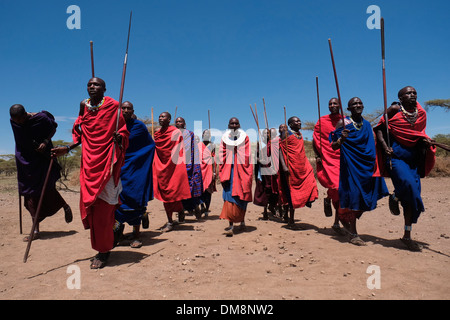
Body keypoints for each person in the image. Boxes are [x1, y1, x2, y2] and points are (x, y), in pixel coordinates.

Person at [52, 77, 129, 269]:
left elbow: (124, 132)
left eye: (96, 85)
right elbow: (80, 132)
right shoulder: (83, 106)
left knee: (103, 210)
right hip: (89, 164)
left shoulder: (113, 106)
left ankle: (103, 251)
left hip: (107, 163)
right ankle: (114, 227)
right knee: (93, 210)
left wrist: (119, 138)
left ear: (104, 88)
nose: (92, 87)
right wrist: (67, 148)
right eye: (89, 84)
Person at [374, 86, 436, 251]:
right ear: (400, 98)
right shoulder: (394, 109)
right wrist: (385, 146)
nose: (412, 95)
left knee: (412, 198)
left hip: (413, 158)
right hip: (396, 156)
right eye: (408, 93)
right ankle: (395, 195)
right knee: (408, 187)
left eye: (415, 92)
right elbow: (379, 128)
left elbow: (419, 133)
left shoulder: (421, 113)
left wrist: (425, 141)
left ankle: (407, 235)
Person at [330, 97, 388, 246]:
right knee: (355, 196)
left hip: (367, 166)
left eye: (359, 103)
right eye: (354, 104)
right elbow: (334, 146)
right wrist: (340, 140)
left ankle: (345, 218)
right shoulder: (343, 124)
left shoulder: (367, 125)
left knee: (365, 198)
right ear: (348, 109)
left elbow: (372, 146)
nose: (357, 105)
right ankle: (353, 233)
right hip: (351, 166)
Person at [10, 104, 72, 242]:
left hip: (41, 158)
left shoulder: (41, 118)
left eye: (20, 120)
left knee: (47, 190)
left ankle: (64, 205)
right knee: (29, 194)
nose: (18, 123)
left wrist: (45, 141)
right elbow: (21, 139)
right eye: (16, 121)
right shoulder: (14, 121)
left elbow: (53, 128)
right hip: (25, 160)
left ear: (25, 114)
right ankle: (36, 230)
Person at [113, 101, 155, 248]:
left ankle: (136, 235)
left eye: (128, 108)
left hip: (135, 168)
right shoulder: (115, 126)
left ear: (132, 110)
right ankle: (118, 231)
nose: (125, 110)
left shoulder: (139, 127)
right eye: (122, 108)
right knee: (116, 199)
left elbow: (150, 146)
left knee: (134, 198)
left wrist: (139, 161)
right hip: (118, 167)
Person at [153, 112, 192, 232]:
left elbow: (178, 151)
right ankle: (170, 220)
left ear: (169, 119)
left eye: (163, 116)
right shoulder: (157, 133)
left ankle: (178, 212)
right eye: (159, 116)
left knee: (173, 194)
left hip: (173, 167)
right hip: (161, 167)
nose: (160, 118)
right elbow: (156, 148)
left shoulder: (175, 132)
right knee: (165, 195)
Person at [279, 116, 318, 229]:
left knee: (311, 182)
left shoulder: (299, 134)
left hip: (302, 166)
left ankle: (307, 200)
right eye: (296, 121)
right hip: (291, 167)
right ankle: (291, 221)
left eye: (299, 120)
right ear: (290, 124)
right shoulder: (286, 134)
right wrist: (284, 166)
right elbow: (280, 150)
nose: (299, 122)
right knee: (293, 193)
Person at [313, 98, 345, 235]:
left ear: (339, 105)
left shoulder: (346, 120)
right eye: (330, 104)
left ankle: (337, 222)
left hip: (343, 158)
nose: (332, 105)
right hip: (328, 158)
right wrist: (318, 155)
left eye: (335, 103)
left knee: (342, 190)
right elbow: (316, 139)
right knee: (335, 187)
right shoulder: (322, 121)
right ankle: (330, 199)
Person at [219, 117, 253, 236]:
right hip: (229, 172)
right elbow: (221, 155)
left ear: (239, 125)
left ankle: (242, 222)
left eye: (236, 123)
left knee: (242, 197)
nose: (234, 125)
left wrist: (236, 153)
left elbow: (247, 154)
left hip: (241, 172)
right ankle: (231, 225)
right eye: (231, 123)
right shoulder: (224, 139)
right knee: (229, 197)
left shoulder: (245, 138)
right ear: (228, 125)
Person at [175, 117, 203, 220]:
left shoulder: (190, 134)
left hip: (189, 166)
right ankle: (181, 212)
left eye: (180, 121)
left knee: (190, 189)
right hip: (177, 166)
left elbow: (193, 150)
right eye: (177, 122)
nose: (178, 123)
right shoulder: (172, 135)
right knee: (178, 190)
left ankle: (196, 207)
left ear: (184, 124)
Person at [253, 128, 280, 220]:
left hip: (272, 171)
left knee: (273, 189)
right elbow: (255, 157)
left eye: (267, 134)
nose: (265, 135)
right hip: (262, 171)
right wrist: (260, 160)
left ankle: (273, 207)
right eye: (264, 134)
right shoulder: (259, 145)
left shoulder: (274, 144)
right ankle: (265, 212)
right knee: (264, 190)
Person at [198, 129, 217, 216]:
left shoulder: (212, 145)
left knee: (208, 190)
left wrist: (213, 172)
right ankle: (202, 205)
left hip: (209, 169)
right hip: (200, 170)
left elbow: (213, 159)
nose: (206, 135)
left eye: (208, 134)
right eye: (205, 134)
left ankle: (207, 209)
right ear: (202, 136)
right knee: (200, 190)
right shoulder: (198, 145)